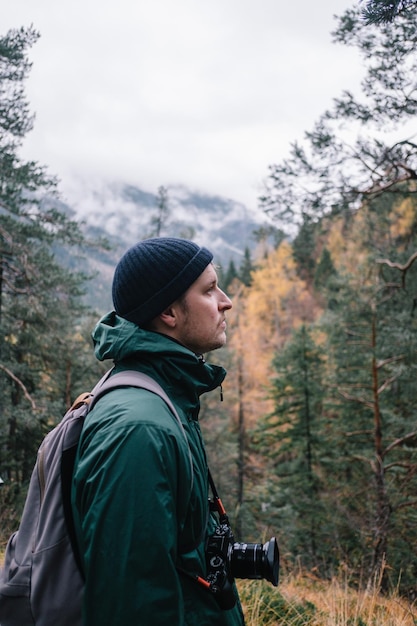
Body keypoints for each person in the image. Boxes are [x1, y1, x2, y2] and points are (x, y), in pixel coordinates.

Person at [71, 237, 246, 625]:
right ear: (168, 311)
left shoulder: (165, 397)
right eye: (209, 289)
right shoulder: (140, 430)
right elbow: (131, 606)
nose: (226, 300)